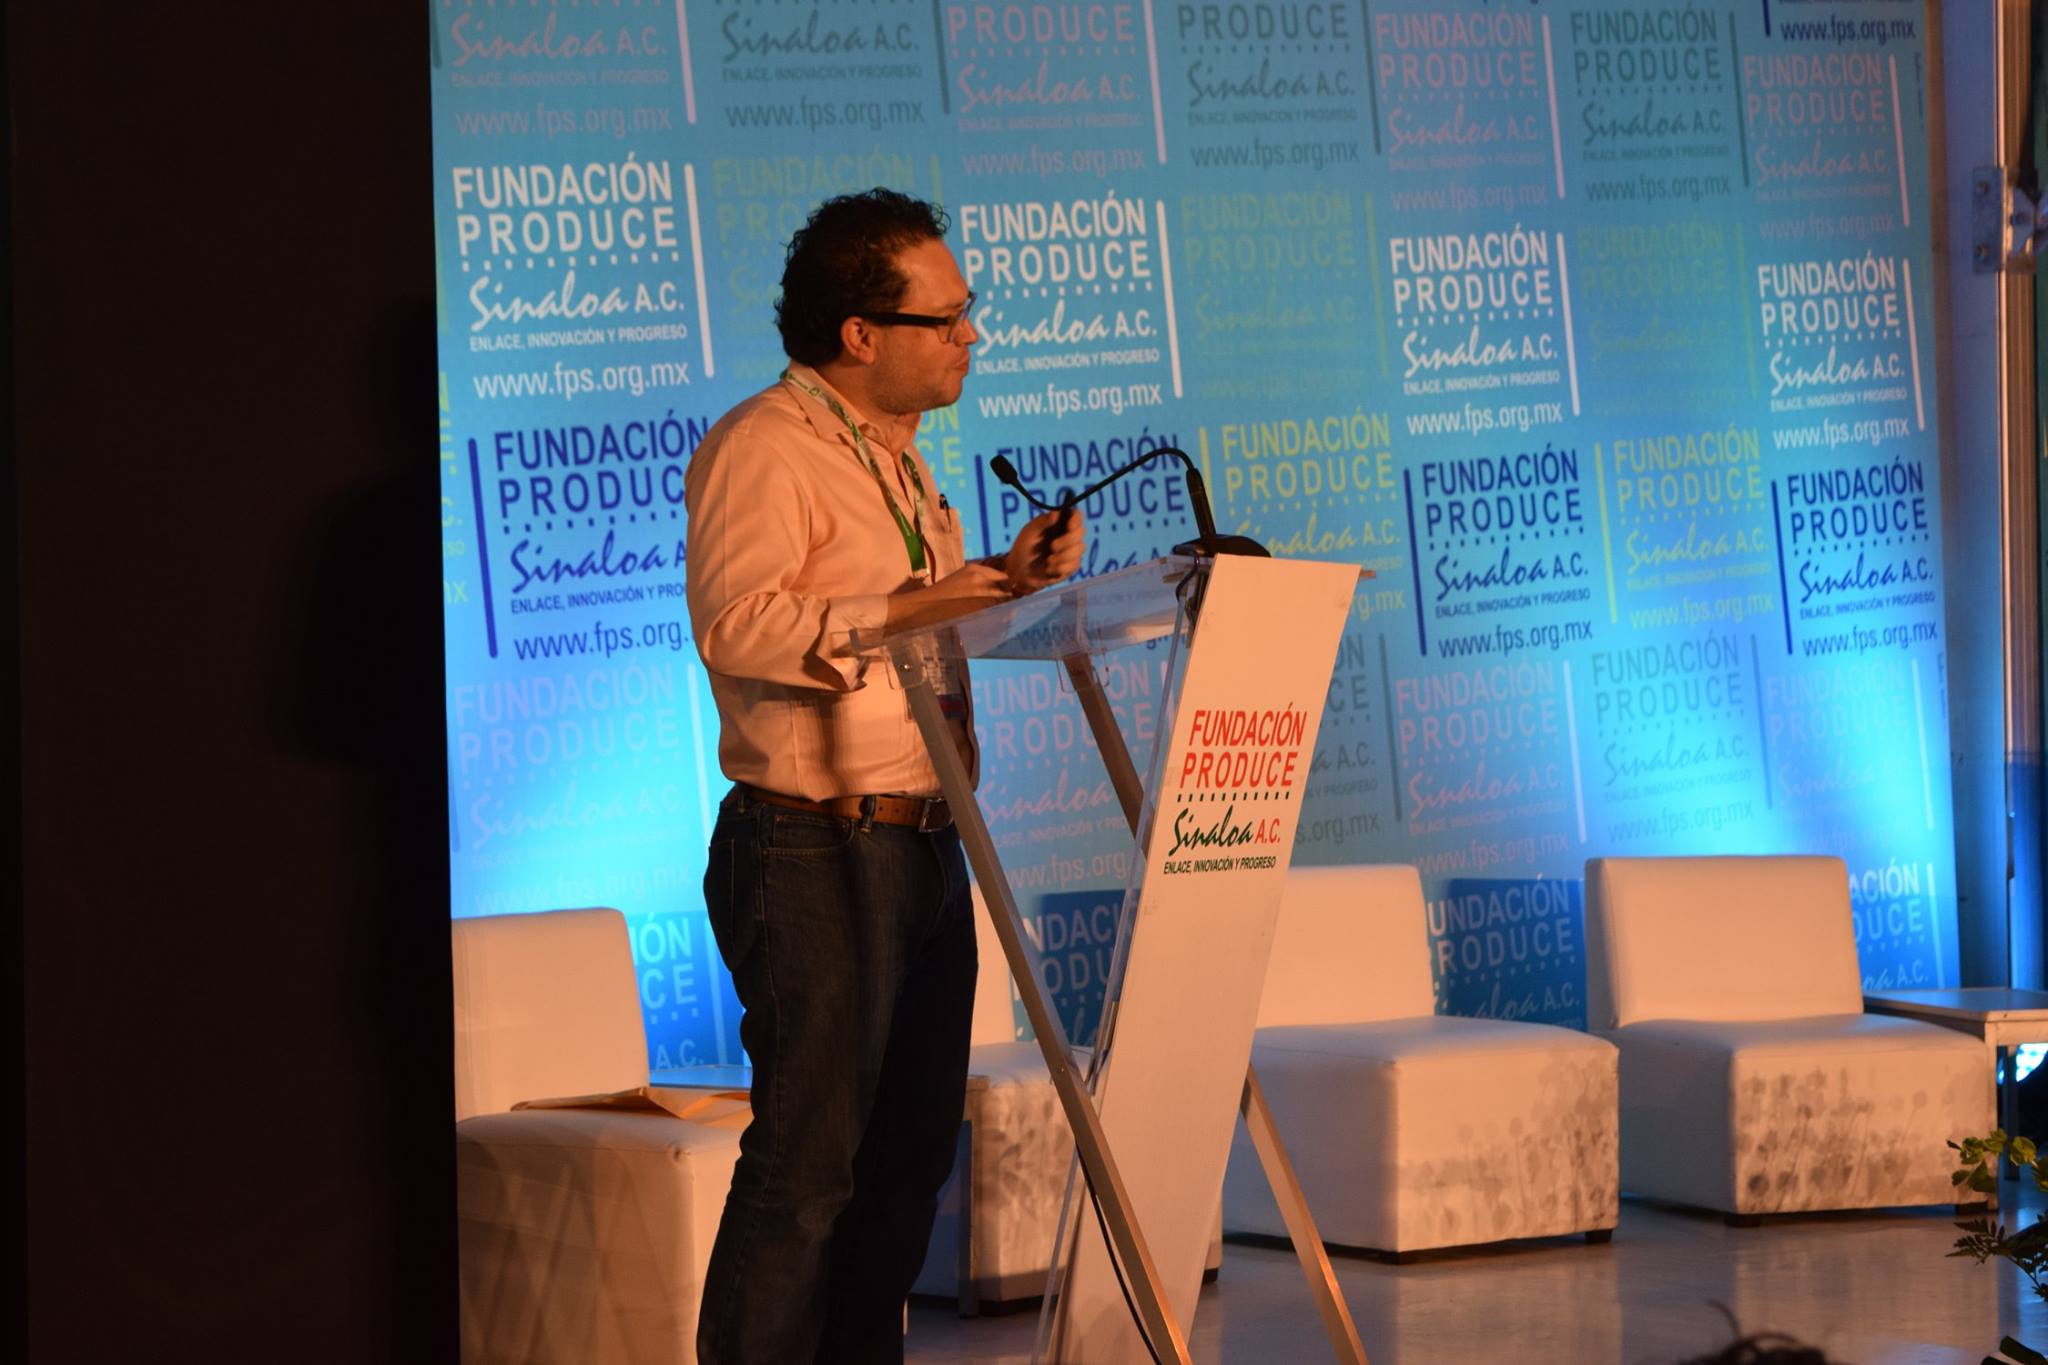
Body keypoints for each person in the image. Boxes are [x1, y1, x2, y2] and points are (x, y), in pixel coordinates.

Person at [684, 188, 1085, 1364]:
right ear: (860, 333)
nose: (970, 334)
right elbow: (739, 625)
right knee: (807, 1172)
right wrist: (915, 603)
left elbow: (905, 617)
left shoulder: (900, 461)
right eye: (945, 316)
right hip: (811, 843)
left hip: (925, 839)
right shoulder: (763, 446)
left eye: (968, 312)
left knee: (905, 1169)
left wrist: (1001, 580)